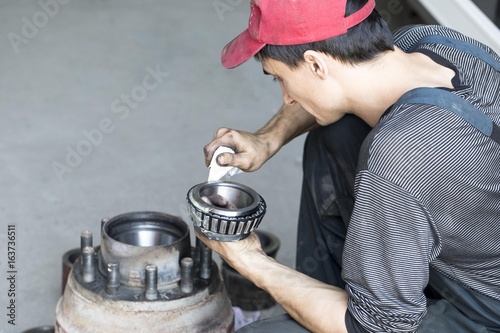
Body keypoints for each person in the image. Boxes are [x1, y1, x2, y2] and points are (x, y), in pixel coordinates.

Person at [198, 0, 500, 331]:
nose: (286, 97)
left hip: (483, 306)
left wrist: (248, 259)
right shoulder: (430, 41)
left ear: (315, 65)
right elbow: (343, 86)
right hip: (476, 238)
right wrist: (267, 139)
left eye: (279, 78)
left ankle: (332, 311)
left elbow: (376, 327)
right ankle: (327, 300)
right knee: (337, 132)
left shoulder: (399, 155)